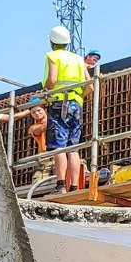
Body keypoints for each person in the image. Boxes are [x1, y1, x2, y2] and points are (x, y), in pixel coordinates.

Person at [42, 26, 88, 191]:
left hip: (59, 103)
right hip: (76, 105)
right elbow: (90, 86)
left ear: (52, 42)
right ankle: (74, 186)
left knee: (59, 145)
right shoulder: (78, 59)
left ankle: (61, 184)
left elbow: (52, 79)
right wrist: (78, 97)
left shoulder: (52, 56)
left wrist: (45, 92)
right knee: (73, 147)